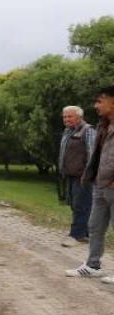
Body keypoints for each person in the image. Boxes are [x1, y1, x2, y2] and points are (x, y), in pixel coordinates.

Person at [65, 85, 114, 284]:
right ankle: (93, 265)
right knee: (94, 226)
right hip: (100, 183)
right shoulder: (103, 125)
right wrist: (92, 177)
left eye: (100, 101)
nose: (96, 106)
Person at [58, 106, 96, 248]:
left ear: (79, 117)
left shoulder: (88, 131)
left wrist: (88, 174)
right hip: (71, 174)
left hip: (83, 176)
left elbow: (92, 155)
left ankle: (76, 235)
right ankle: (85, 233)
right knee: (76, 204)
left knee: (81, 205)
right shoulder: (68, 131)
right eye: (65, 117)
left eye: (70, 116)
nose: (66, 119)